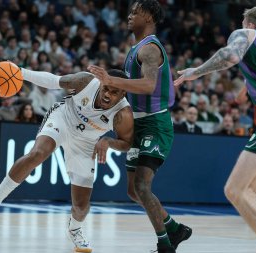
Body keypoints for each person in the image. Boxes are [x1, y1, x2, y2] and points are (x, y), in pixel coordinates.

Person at [174, 6, 256, 253]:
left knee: (236, 189)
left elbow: (230, 56)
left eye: (242, 23)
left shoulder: (247, 34)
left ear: (250, 25)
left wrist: (195, 73)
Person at [0, 67, 134, 253]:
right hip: (62, 119)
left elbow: (127, 143)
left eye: (114, 92)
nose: (107, 94)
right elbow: (52, 81)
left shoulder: (124, 114)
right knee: (37, 154)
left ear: (123, 93)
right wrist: (21, 72)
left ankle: (75, 229)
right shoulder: (86, 82)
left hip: (87, 142)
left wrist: (108, 141)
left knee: (81, 206)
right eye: (106, 88)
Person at [88, 1, 192, 252]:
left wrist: (110, 79)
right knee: (134, 191)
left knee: (143, 186)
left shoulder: (149, 50)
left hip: (155, 122)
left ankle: (165, 244)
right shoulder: (136, 49)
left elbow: (147, 85)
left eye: (135, 12)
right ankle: (175, 229)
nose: (130, 15)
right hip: (138, 121)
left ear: (148, 16)